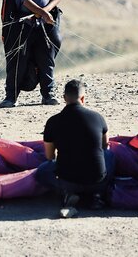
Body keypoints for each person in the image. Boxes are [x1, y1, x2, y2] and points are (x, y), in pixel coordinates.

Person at [35, 79, 115, 218]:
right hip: (97, 180)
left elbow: (49, 157)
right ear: (83, 98)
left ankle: (68, 193)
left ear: (64, 98)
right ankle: (97, 195)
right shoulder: (98, 117)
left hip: (68, 181)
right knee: (110, 156)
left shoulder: (53, 121)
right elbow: (105, 147)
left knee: (42, 170)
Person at [0, 0, 64, 108]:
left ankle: (48, 94)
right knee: (17, 59)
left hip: (46, 22)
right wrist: (42, 13)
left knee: (48, 55)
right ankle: (10, 97)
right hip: (23, 23)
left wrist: (46, 11)